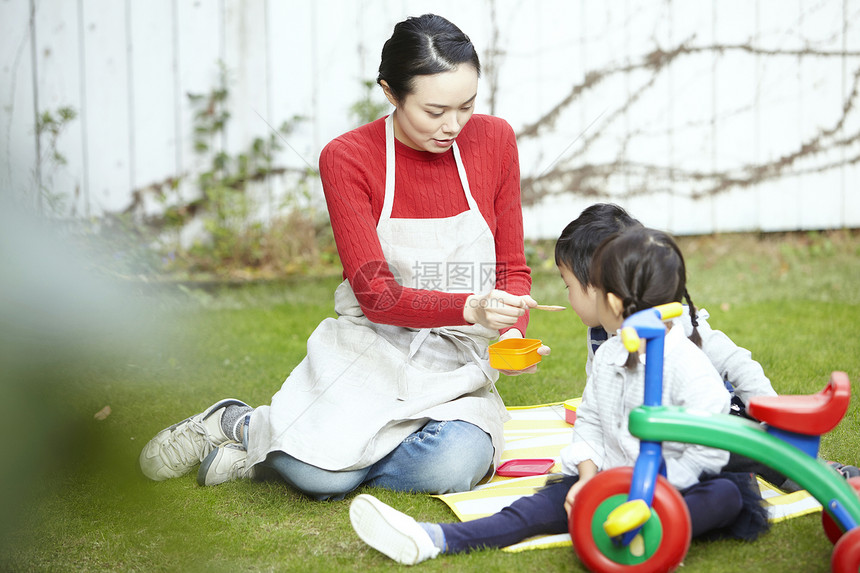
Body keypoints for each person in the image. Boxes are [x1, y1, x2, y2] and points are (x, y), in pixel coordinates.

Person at [138, 14, 547, 498]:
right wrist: (469, 306)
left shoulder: (495, 140)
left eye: (466, 106)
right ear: (391, 93)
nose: (453, 125)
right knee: (318, 478)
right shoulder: (348, 158)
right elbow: (376, 295)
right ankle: (241, 425)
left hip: (455, 359)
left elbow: (511, 270)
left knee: (449, 470)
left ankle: (304, 450)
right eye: (435, 111)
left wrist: (513, 332)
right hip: (373, 345)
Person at [349, 226, 770, 565]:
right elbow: (589, 422)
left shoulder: (687, 361)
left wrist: (654, 494)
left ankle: (659, 529)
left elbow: (708, 450)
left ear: (609, 299)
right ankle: (435, 538)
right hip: (608, 478)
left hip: (678, 485)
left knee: (726, 496)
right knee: (535, 509)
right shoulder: (610, 355)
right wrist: (588, 479)